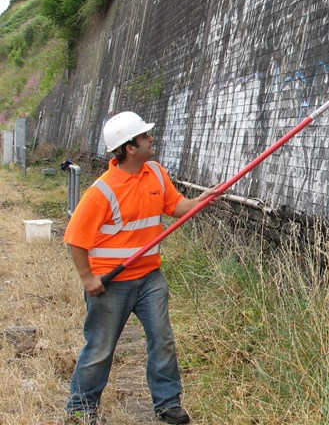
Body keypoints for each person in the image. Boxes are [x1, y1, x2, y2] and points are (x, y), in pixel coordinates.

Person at [64, 111, 219, 424]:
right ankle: (80, 409)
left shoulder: (156, 173)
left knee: (162, 339)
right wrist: (87, 278)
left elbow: (176, 207)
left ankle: (167, 404)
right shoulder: (102, 191)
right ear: (130, 147)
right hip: (111, 283)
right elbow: (74, 239)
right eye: (145, 135)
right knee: (100, 348)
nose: (151, 138)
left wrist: (201, 200)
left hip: (149, 278)